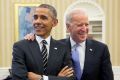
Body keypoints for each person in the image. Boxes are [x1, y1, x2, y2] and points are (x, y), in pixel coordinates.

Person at [25, 8, 114, 80]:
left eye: (86, 25)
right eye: (79, 25)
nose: (84, 29)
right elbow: (46, 72)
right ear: (68, 27)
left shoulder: (101, 49)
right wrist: (34, 38)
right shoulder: (56, 46)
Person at [12, 4, 74, 80]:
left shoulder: (63, 48)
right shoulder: (20, 47)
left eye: (43, 18)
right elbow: (18, 78)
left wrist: (42, 78)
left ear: (54, 23)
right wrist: (57, 78)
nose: (37, 21)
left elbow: (71, 78)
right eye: (35, 17)